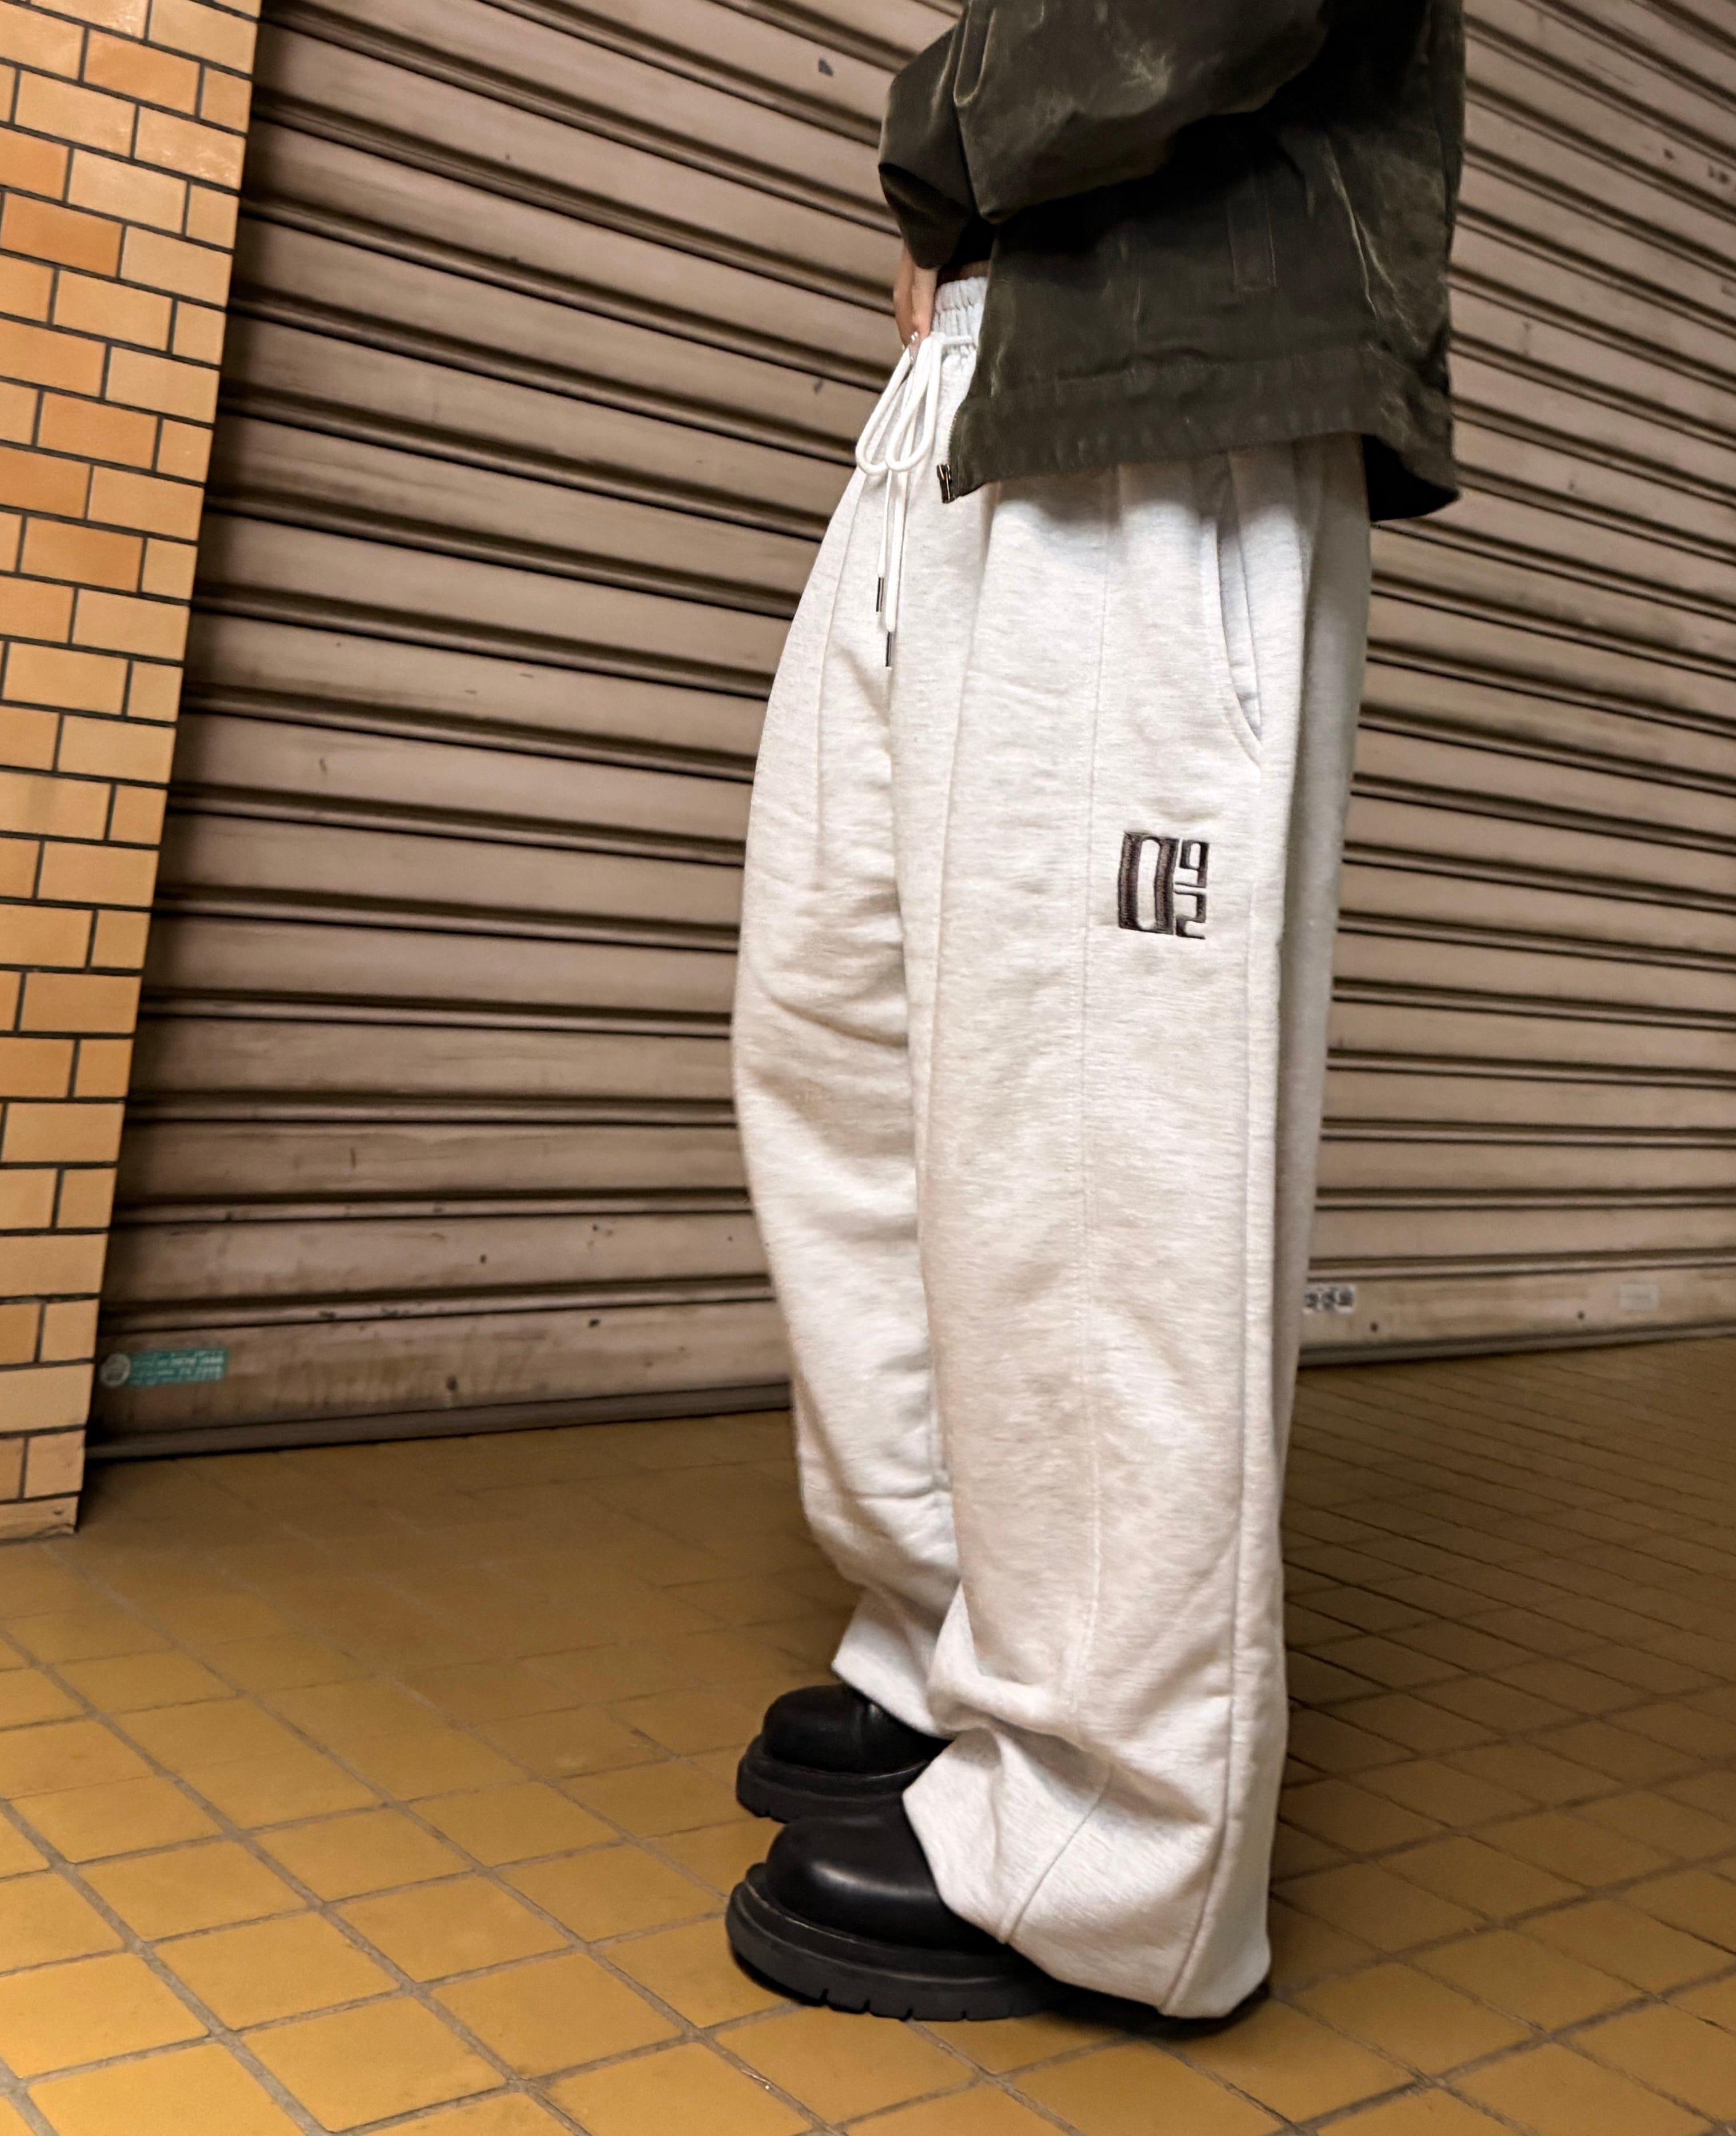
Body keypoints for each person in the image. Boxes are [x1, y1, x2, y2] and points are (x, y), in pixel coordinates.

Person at [724, 0, 1464, 2022]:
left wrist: (935, 127)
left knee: (1096, 1120)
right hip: (983, 371)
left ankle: (1120, 1836)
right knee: (846, 1045)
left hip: (1184, 366)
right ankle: (956, 1644)